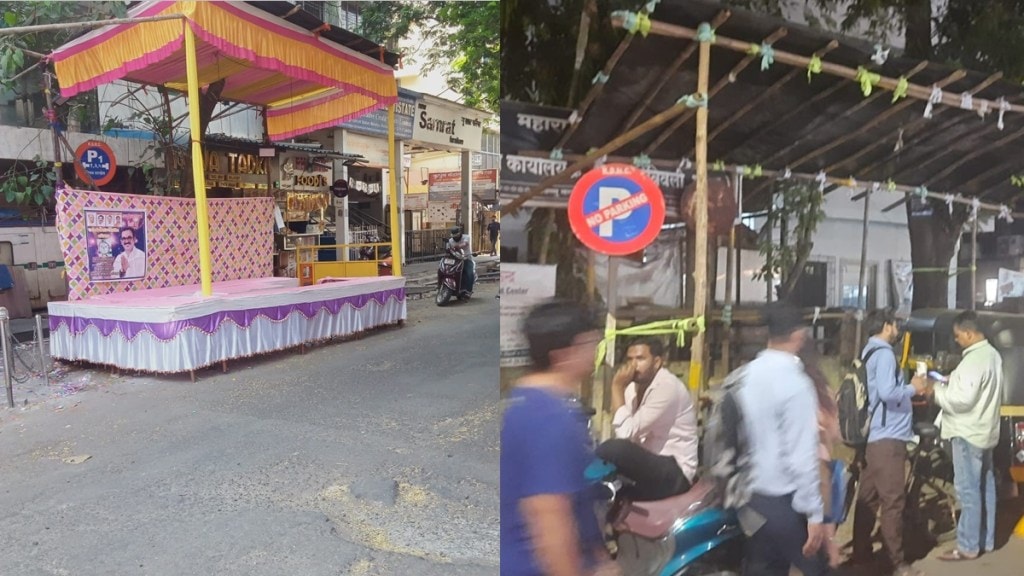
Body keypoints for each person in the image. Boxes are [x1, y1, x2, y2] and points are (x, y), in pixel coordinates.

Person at [500, 300, 619, 576]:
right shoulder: (548, 418)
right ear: (564, 354)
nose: (595, 353)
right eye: (590, 344)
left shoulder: (524, 402)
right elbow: (549, 517)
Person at [735, 303, 830, 576]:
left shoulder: (747, 374)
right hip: (784, 501)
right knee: (816, 568)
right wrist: (814, 514)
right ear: (798, 335)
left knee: (764, 568)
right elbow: (802, 455)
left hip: (751, 496)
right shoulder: (796, 384)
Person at [922, 311, 1003, 562]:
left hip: (967, 433)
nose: (956, 340)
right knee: (984, 487)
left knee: (968, 491)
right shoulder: (992, 355)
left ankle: (968, 545)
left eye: (958, 336)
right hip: (985, 432)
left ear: (969, 333)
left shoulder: (975, 360)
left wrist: (934, 390)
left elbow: (962, 400)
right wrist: (951, 380)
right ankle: (986, 540)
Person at [852, 309, 926, 576]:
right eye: (896, 325)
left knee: (868, 498)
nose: (899, 330)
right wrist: (913, 387)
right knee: (893, 501)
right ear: (886, 326)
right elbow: (887, 392)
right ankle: (897, 563)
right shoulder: (883, 354)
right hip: (889, 437)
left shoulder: (868, 351)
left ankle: (861, 555)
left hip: (874, 438)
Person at [595, 337, 697, 502]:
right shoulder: (631, 389)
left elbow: (625, 435)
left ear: (656, 362)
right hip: (648, 465)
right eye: (630, 359)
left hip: (675, 471)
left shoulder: (667, 387)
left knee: (614, 449)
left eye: (640, 359)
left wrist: (616, 387)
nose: (633, 365)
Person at [799, 340, 843, 569]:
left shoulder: (798, 388)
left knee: (807, 541)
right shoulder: (823, 388)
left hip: (813, 469)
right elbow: (834, 430)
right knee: (826, 534)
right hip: (824, 466)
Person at [447, 225, 475, 294]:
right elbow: (448, 249)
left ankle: (468, 291)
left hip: (466, 259)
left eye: (456, 235)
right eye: (454, 236)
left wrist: (458, 247)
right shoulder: (450, 241)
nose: (455, 237)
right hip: (455, 260)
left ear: (460, 233)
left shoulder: (466, 237)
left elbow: (465, 244)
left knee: (469, 273)